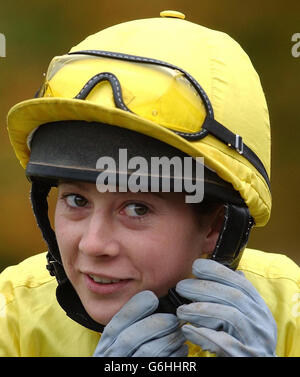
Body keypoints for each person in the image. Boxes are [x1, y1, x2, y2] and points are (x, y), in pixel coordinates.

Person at [1, 10, 299, 357]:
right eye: (77, 201)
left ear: (217, 226)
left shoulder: (290, 311)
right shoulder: (12, 314)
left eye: (136, 208)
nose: (93, 245)